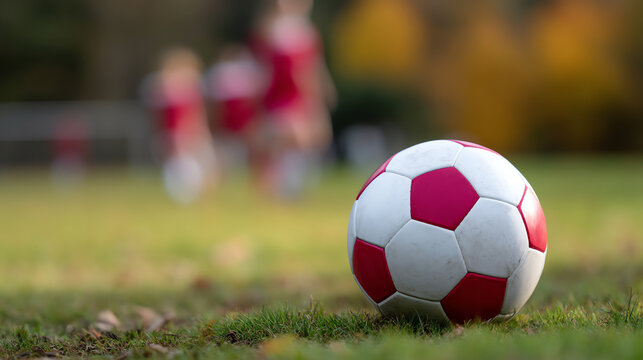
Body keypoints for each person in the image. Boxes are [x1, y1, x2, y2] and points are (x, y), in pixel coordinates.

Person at [251, 0, 336, 198]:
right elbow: (292, 71)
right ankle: (281, 188)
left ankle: (287, 189)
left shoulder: (306, 32)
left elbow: (314, 66)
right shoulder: (274, 30)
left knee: (305, 141)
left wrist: (324, 89)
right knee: (293, 140)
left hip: (295, 97)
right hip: (283, 98)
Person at [141, 48, 217, 203]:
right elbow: (162, 118)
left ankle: (204, 197)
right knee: (181, 170)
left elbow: (196, 114)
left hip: (191, 132)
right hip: (174, 134)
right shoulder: (162, 89)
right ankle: (185, 198)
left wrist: (199, 131)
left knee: (204, 166)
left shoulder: (192, 87)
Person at [205, 45, 261, 175]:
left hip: (232, 126)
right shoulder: (248, 72)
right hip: (240, 126)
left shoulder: (219, 74)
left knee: (223, 160)